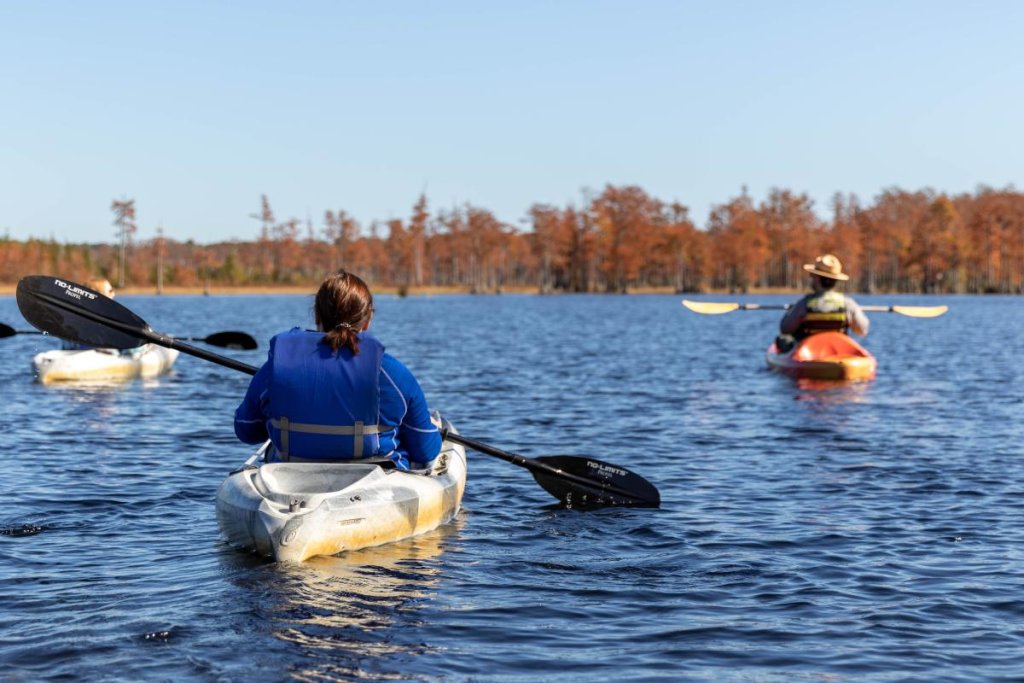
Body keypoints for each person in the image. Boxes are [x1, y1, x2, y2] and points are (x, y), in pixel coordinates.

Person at [234, 269, 442, 471]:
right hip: (376, 484)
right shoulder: (392, 374)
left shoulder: (274, 369)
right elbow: (426, 451)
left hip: (289, 481)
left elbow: (246, 431)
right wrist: (433, 427)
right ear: (368, 320)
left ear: (317, 315)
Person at [777, 254, 869, 350]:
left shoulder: (804, 304)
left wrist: (791, 310)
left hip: (809, 351)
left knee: (782, 340)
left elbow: (785, 329)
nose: (811, 278)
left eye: (812, 275)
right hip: (838, 350)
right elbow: (862, 330)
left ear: (817, 279)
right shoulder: (848, 304)